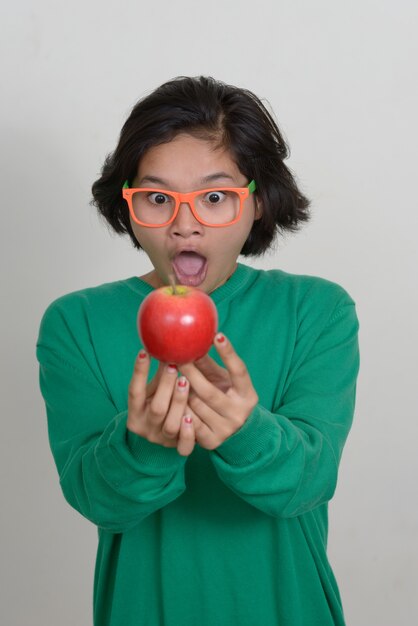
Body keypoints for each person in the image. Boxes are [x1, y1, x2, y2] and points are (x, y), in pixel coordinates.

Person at [36, 76, 360, 626]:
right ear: (129, 205)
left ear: (257, 203)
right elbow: (96, 499)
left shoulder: (317, 310)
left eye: (215, 197)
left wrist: (247, 430)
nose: (185, 225)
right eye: (158, 198)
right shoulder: (76, 322)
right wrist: (142, 443)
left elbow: (310, 483)